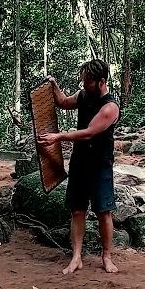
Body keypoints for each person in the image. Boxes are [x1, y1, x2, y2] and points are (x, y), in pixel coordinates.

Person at [38, 59, 120, 274]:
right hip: (79, 162)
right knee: (77, 210)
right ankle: (76, 257)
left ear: (101, 82)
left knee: (103, 212)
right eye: (83, 81)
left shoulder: (110, 107)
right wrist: (54, 85)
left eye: (88, 81)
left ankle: (106, 256)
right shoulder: (83, 95)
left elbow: (89, 132)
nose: (84, 85)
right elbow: (63, 102)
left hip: (100, 165)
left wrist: (58, 136)